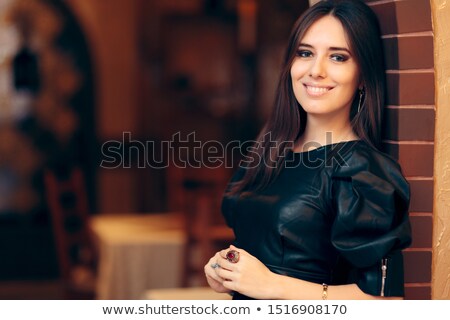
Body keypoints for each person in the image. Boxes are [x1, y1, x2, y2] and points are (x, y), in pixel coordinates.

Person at [204, 0, 412, 300]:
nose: (316, 71)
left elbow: (386, 302)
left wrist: (271, 285)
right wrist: (228, 273)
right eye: (305, 53)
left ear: (363, 75)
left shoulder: (362, 171)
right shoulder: (272, 149)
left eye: (338, 57)